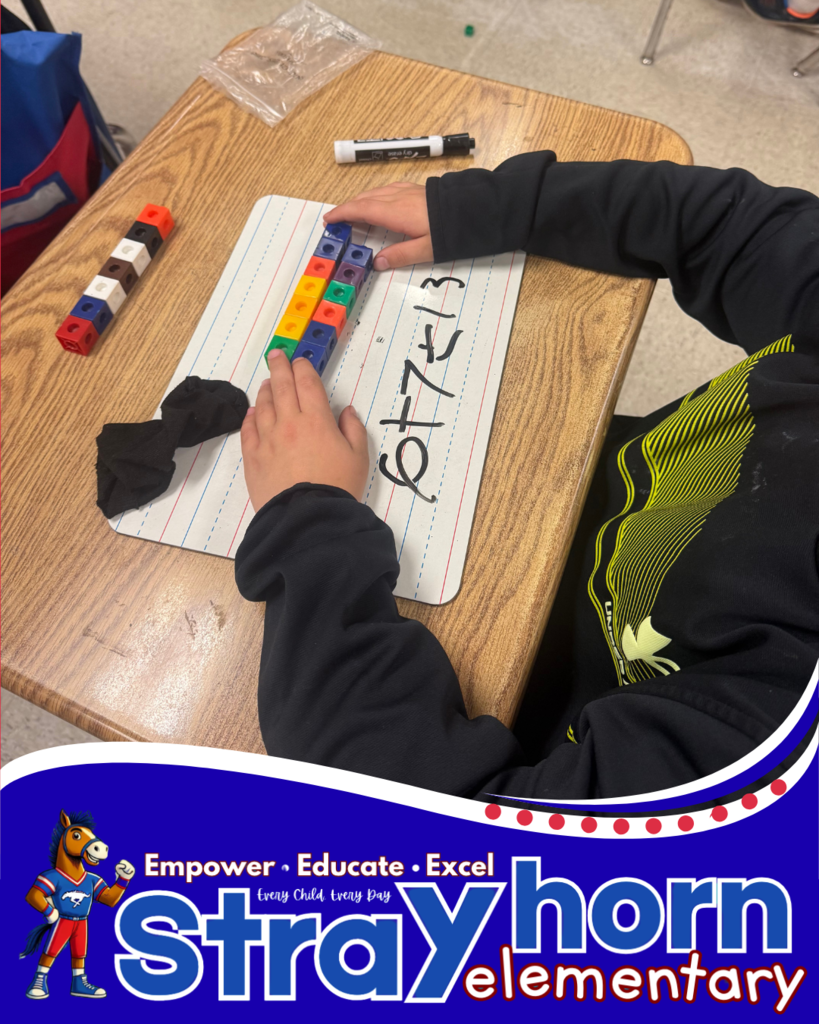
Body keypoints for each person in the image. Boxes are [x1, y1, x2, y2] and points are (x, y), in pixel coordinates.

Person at [234, 154, 818, 800]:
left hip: (535, 688)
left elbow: (444, 842)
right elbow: (723, 224)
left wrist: (306, 522)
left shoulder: (775, 753)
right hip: (580, 493)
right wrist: (494, 206)